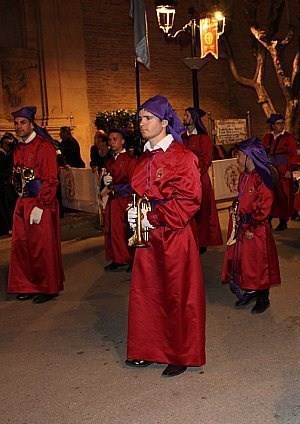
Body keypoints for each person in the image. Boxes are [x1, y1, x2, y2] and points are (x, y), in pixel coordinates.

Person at [125, 95, 205, 378]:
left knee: (177, 294)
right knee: (147, 293)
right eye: (140, 118)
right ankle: (148, 349)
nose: (141, 123)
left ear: (164, 122)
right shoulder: (144, 157)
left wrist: (154, 216)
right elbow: (139, 193)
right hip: (147, 237)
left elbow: (189, 200)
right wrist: (134, 213)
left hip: (173, 236)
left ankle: (179, 353)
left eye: (147, 118)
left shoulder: (183, 157)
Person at [7, 106, 65, 304]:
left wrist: (41, 204)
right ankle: (27, 285)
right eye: (16, 123)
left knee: (42, 246)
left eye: (22, 122)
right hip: (22, 202)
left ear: (32, 124)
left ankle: (47, 287)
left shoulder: (44, 146)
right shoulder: (18, 148)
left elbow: (51, 179)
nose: (19, 126)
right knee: (22, 245)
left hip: (40, 202)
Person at [221, 137, 281, 314]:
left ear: (249, 156)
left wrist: (253, 226)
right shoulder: (244, 176)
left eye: (239, 155)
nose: (237, 159)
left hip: (256, 229)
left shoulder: (262, 178)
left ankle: (263, 297)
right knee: (244, 263)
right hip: (243, 227)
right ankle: (252, 291)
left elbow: (265, 205)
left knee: (258, 265)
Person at [182, 107, 223, 254]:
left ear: (194, 118)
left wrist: (193, 172)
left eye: (186, 115)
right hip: (184, 180)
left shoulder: (203, 138)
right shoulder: (182, 137)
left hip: (199, 179)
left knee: (202, 211)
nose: (184, 117)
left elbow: (206, 160)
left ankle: (202, 242)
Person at [102, 129, 136, 272]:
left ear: (122, 141)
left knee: (129, 230)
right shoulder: (110, 160)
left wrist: (133, 202)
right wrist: (106, 182)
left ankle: (133, 260)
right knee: (114, 230)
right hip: (114, 199)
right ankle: (119, 258)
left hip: (126, 198)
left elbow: (134, 182)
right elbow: (109, 181)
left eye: (115, 139)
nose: (112, 142)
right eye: (110, 139)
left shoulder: (129, 160)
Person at [262, 114, 298, 231]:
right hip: (269, 168)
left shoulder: (288, 138)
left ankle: (283, 220)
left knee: (282, 195)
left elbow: (292, 155)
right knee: (268, 195)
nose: (281, 125)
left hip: (283, 168)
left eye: (283, 123)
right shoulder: (267, 137)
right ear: (273, 125)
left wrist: (289, 169)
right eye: (278, 123)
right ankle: (268, 219)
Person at [0, 135, 18, 237]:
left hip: (11, 187)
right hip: (2, 185)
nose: (9, 146)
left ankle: (13, 227)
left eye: (10, 144)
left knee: (12, 207)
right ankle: (4, 228)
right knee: (2, 208)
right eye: (7, 144)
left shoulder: (13, 156)